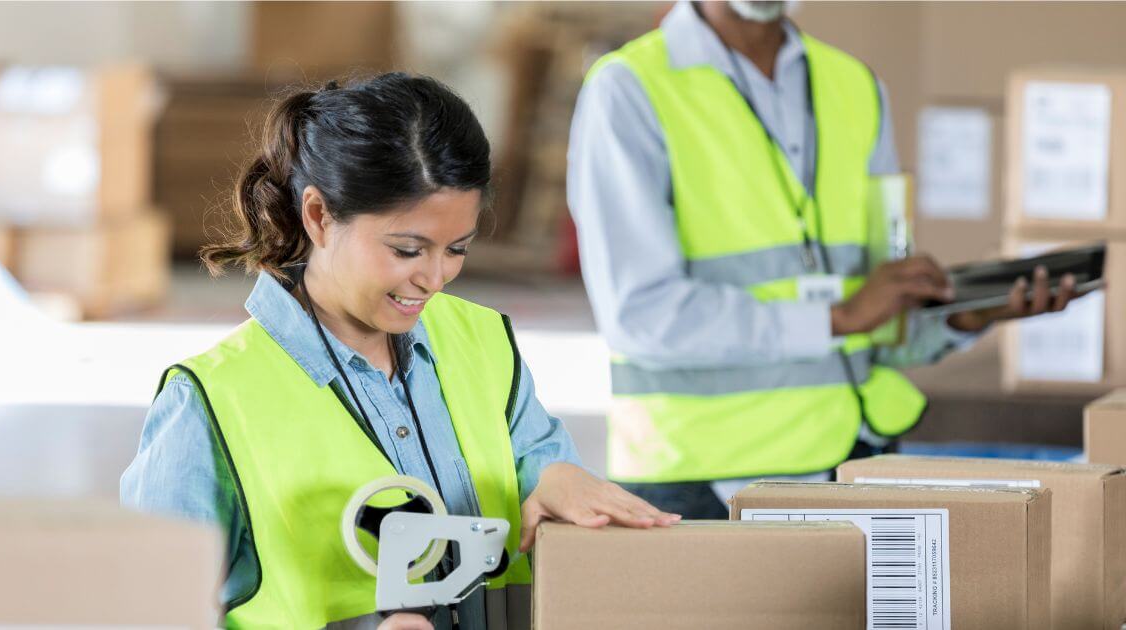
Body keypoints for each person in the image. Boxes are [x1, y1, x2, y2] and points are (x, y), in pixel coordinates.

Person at [122, 73, 679, 630]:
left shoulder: (482, 343)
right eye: (407, 249)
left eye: (456, 249)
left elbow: (533, 459)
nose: (434, 278)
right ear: (318, 216)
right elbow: (153, 615)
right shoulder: (212, 402)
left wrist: (557, 476)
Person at [567, 0, 1079, 518]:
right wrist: (839, 317)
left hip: (854, 463)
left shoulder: (853, 85)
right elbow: (640, 316)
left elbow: (874, 321)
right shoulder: (629, 90)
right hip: (701, 482)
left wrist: (965, 316)